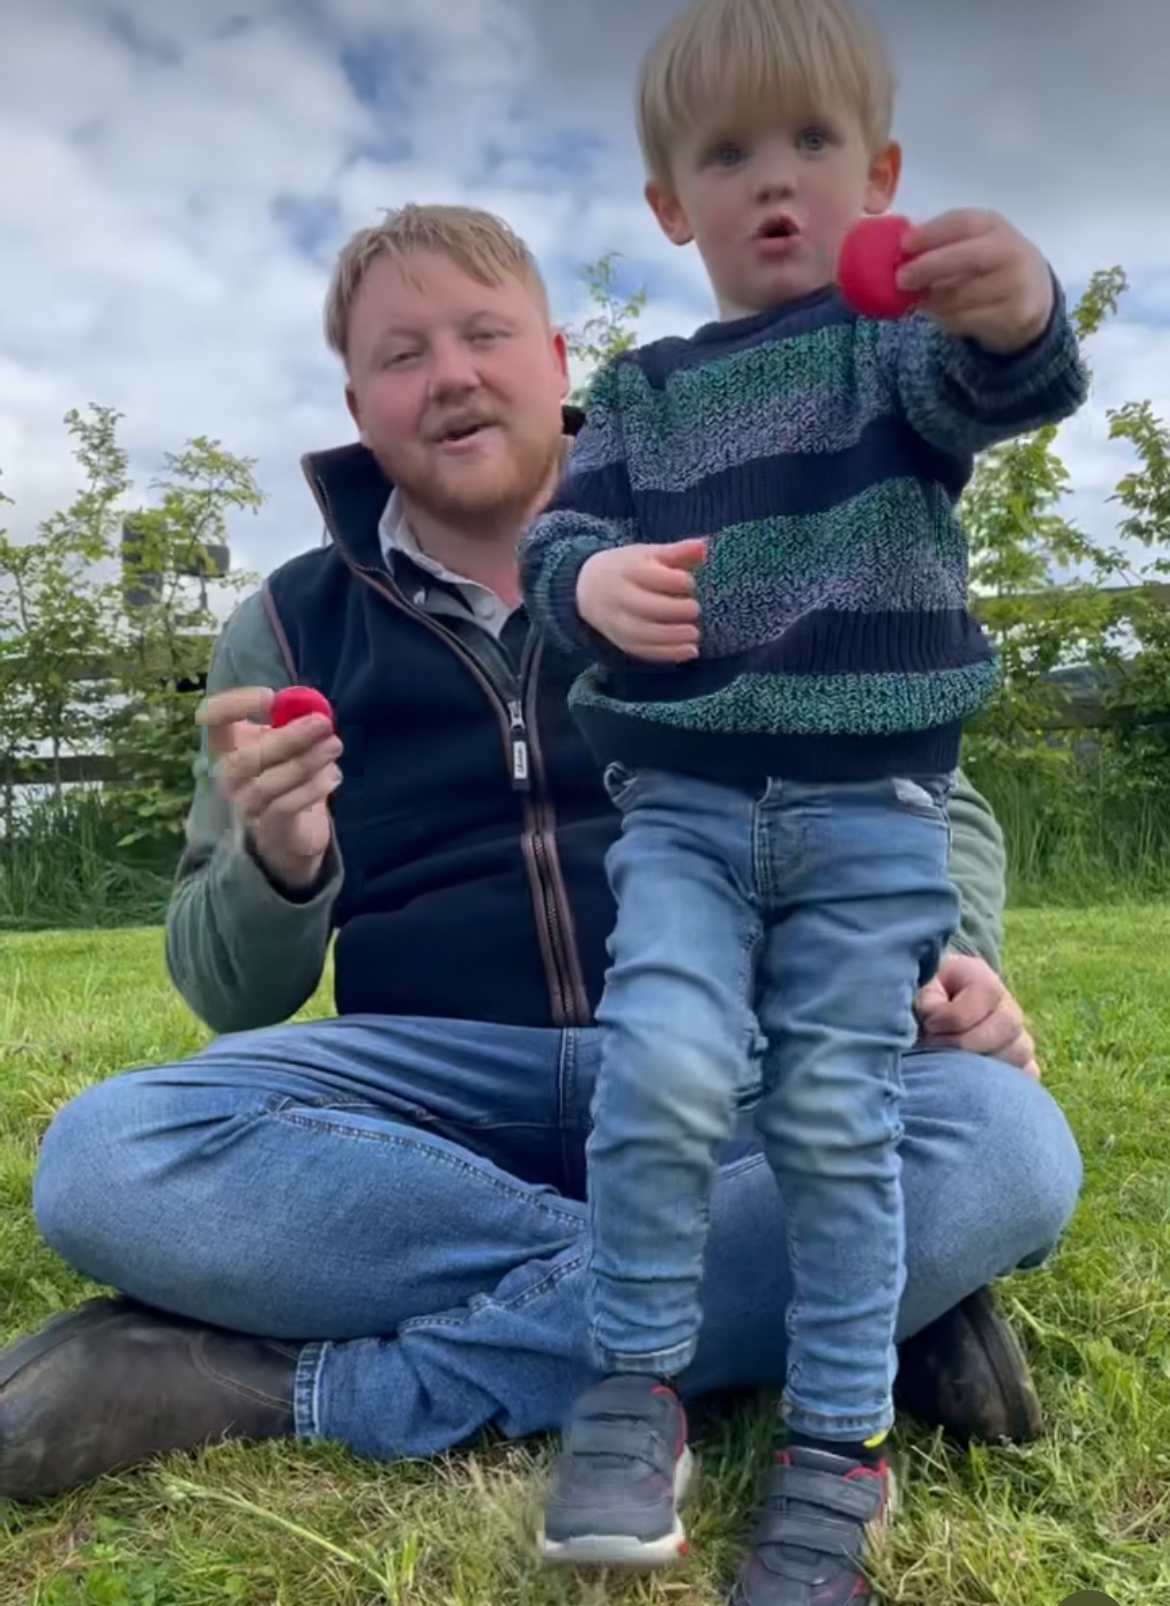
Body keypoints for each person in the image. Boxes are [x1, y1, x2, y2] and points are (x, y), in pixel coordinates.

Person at [0, 206, 1079, 1572]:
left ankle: (300, 1385)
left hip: (727, 1066)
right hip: (430, 1096)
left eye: (482, 335)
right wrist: (281, 860)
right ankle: (825, 1298)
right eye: (401, 353)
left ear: (554, 353)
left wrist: (949, 952)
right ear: (354, 403)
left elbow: (934, 794)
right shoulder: (278, 625)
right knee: (105, 1156)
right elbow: (228, 988)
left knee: (1000, 1138)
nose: (448, 374)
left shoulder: (723, 520)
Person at [517, 0, 1089, 1595]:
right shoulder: (635, 390)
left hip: (867, 818)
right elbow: (562, 548)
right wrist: (596, 584)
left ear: (880, 172)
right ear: (666, 206)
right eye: (726, 154)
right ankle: (635, 1389)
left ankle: (841, 1440)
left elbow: (1009, 380)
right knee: (661, 1073)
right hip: (688, 815)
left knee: (841, 1118)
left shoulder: (893, 352)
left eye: (813, 146)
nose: (775, 182)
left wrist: (1017, 302)